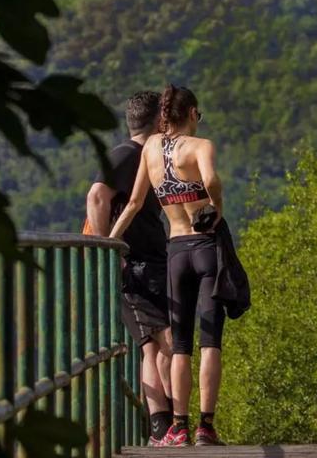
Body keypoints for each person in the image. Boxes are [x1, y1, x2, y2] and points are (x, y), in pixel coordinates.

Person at [109, 84, 230, 447]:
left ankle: (178, 425)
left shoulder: (149, 149)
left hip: (175, 250)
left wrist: (110, 242)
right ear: (192, 113)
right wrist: (216, 207)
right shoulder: (201, 146)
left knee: (179, 345)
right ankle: (205, 428)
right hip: (206, 246)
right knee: (210, 341)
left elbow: (133, 203)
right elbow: (209, 180)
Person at [85, 91, 174, 446]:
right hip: (135, 265)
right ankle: (161, 427)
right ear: (157, 122)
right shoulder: (127, 155)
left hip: (149, 261)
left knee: (160, 343)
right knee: (158, 344)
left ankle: (168, 425)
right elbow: (96, 196)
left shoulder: (141, 155)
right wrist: (110, 247)